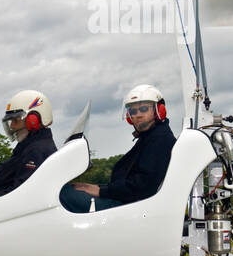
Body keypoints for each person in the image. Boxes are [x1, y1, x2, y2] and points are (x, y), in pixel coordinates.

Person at [60, 84, 175, 213]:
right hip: (130, 203)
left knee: (64, 196)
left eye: (143, 109)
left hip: (133, 208)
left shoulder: (160, 140)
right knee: (70, 190)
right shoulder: (150, 137)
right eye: (133, 111)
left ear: (159, 111)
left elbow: (143, 186)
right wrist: (99, 187)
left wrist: (101, 191)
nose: (137, 115)